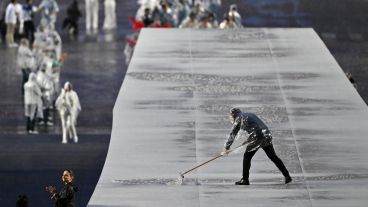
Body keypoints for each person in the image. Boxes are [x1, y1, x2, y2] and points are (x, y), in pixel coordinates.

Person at [222, 108, 292, 185]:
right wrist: (249, 139)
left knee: (247, 157)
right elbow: (255, 126)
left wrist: (226, 148)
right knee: (273, 157)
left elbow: (233, 134)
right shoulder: (249, 114)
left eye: (231, 116)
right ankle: (287, 176)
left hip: (257, 137)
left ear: (233, 115)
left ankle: (245, 179)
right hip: (266, 135)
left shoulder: (239, 118)